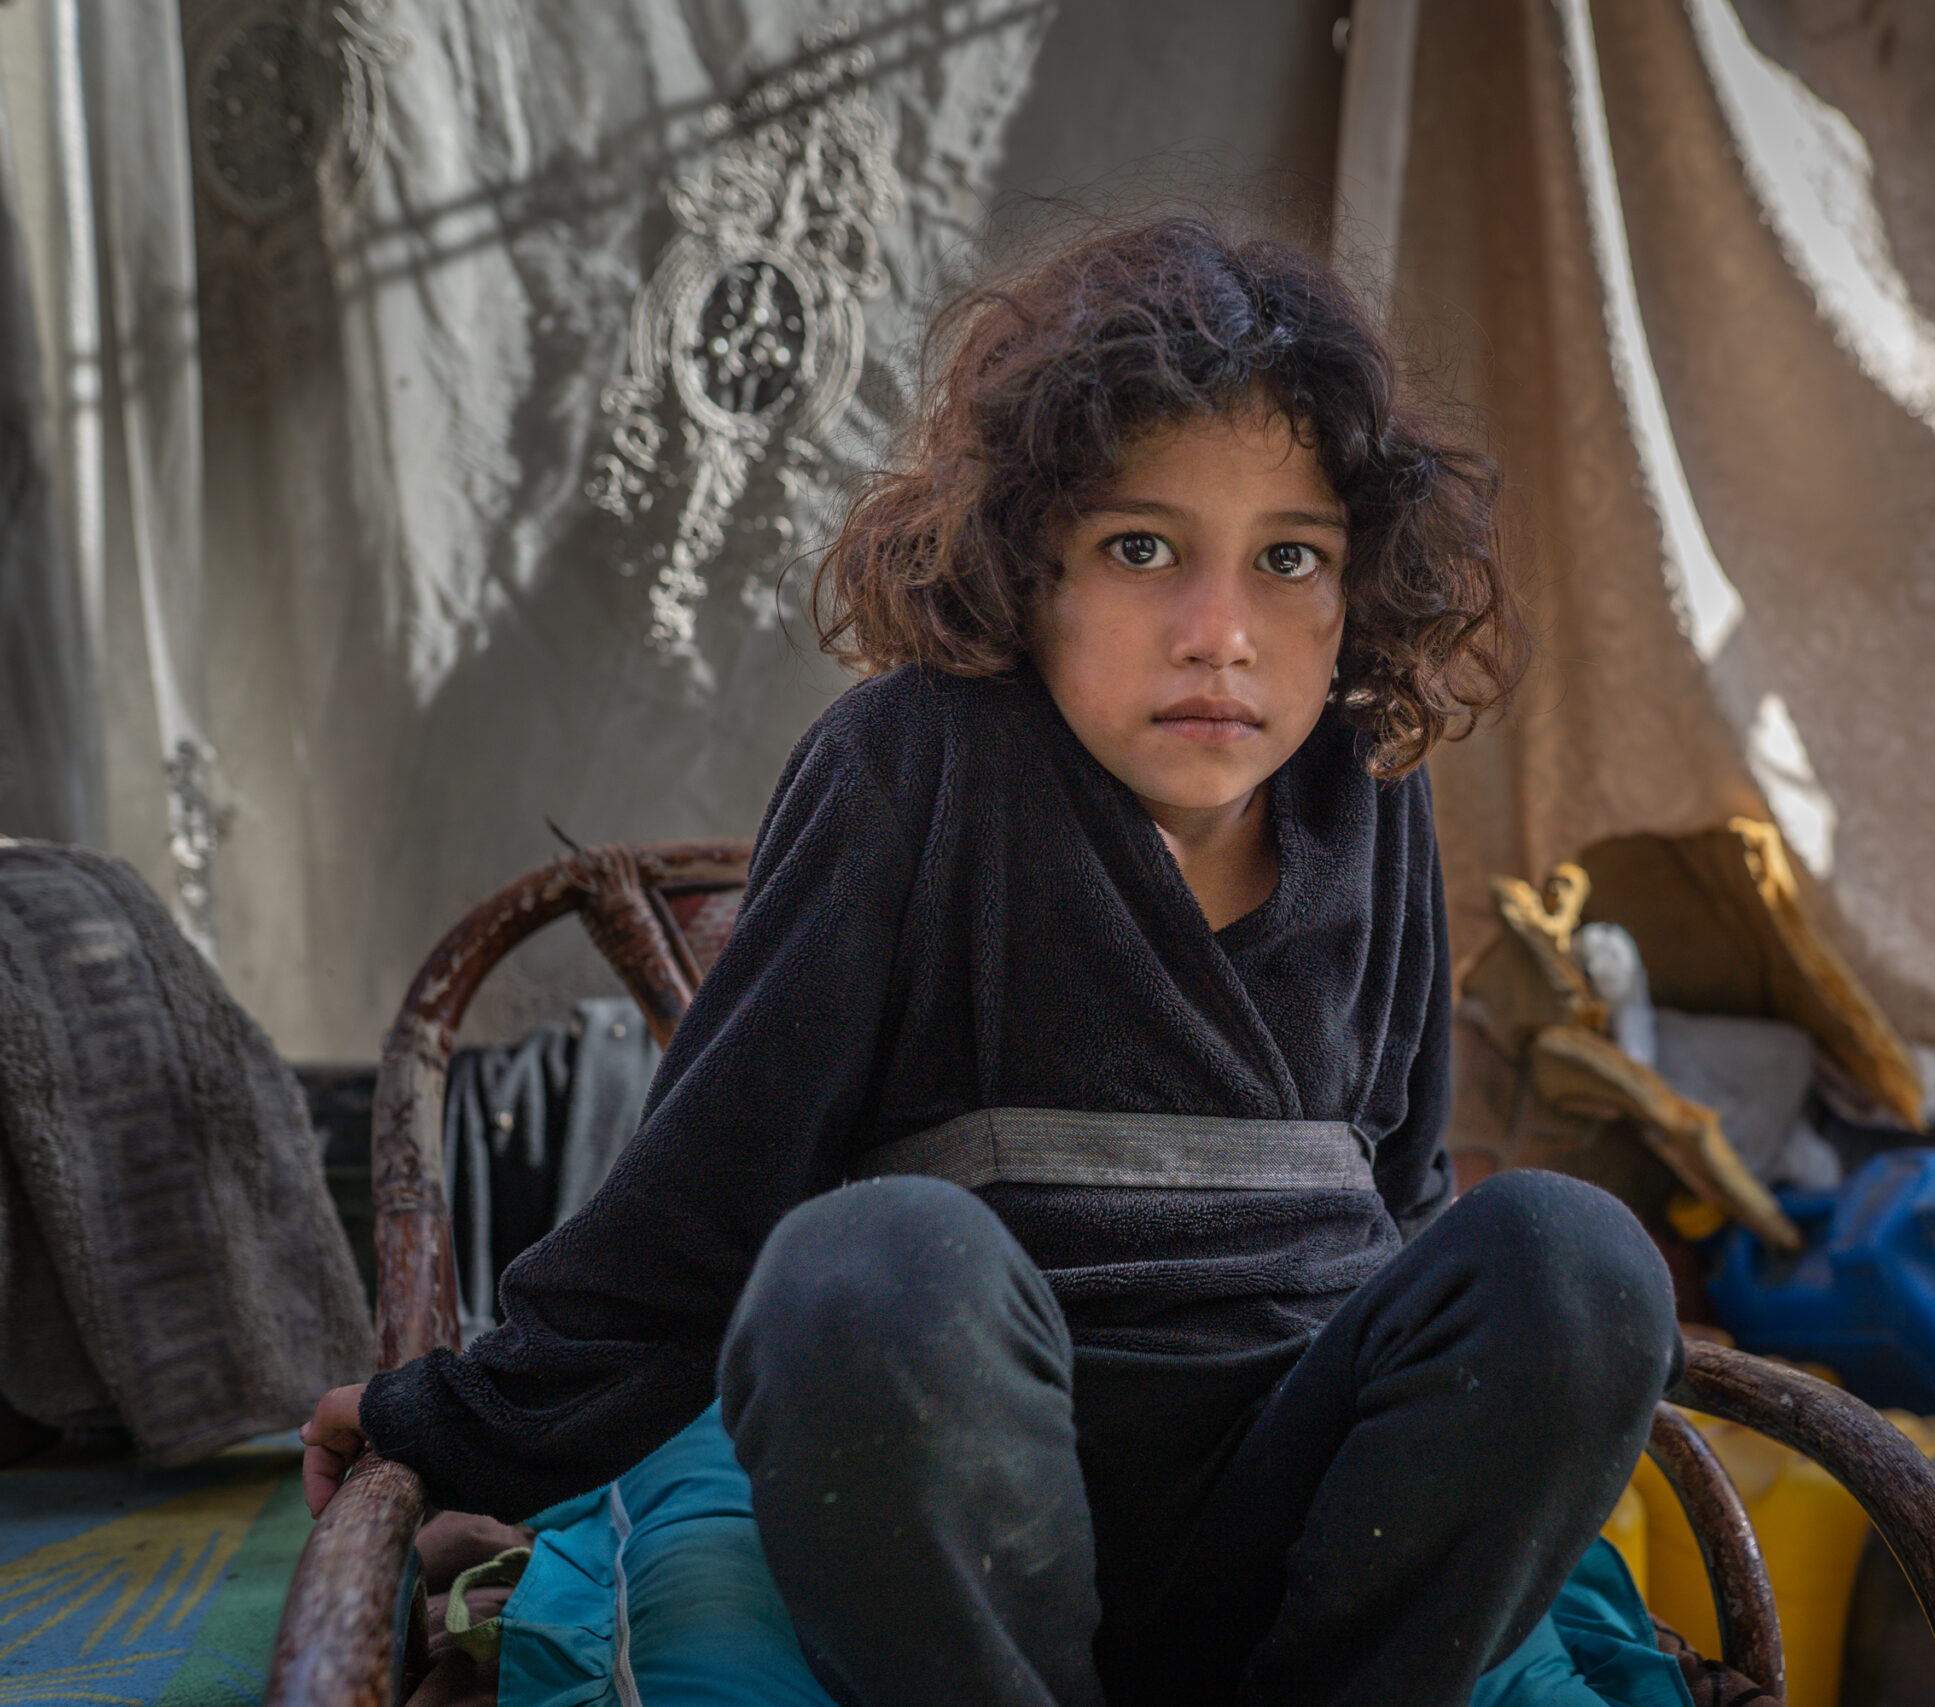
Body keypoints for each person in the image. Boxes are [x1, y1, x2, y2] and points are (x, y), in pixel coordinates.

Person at [300, 216, 1682, 1707]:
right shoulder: (915, 767)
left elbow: (1403, 1207)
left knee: (1573, 1259)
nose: (1220, 633)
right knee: (861, 1264)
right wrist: (441, 1425)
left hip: (1292, 1527)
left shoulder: (1372, 793)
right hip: (968, 1525)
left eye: (1291, 560)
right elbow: (701, 1210)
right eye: (1142, 549)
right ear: (1030, 571)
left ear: (1358, 592)